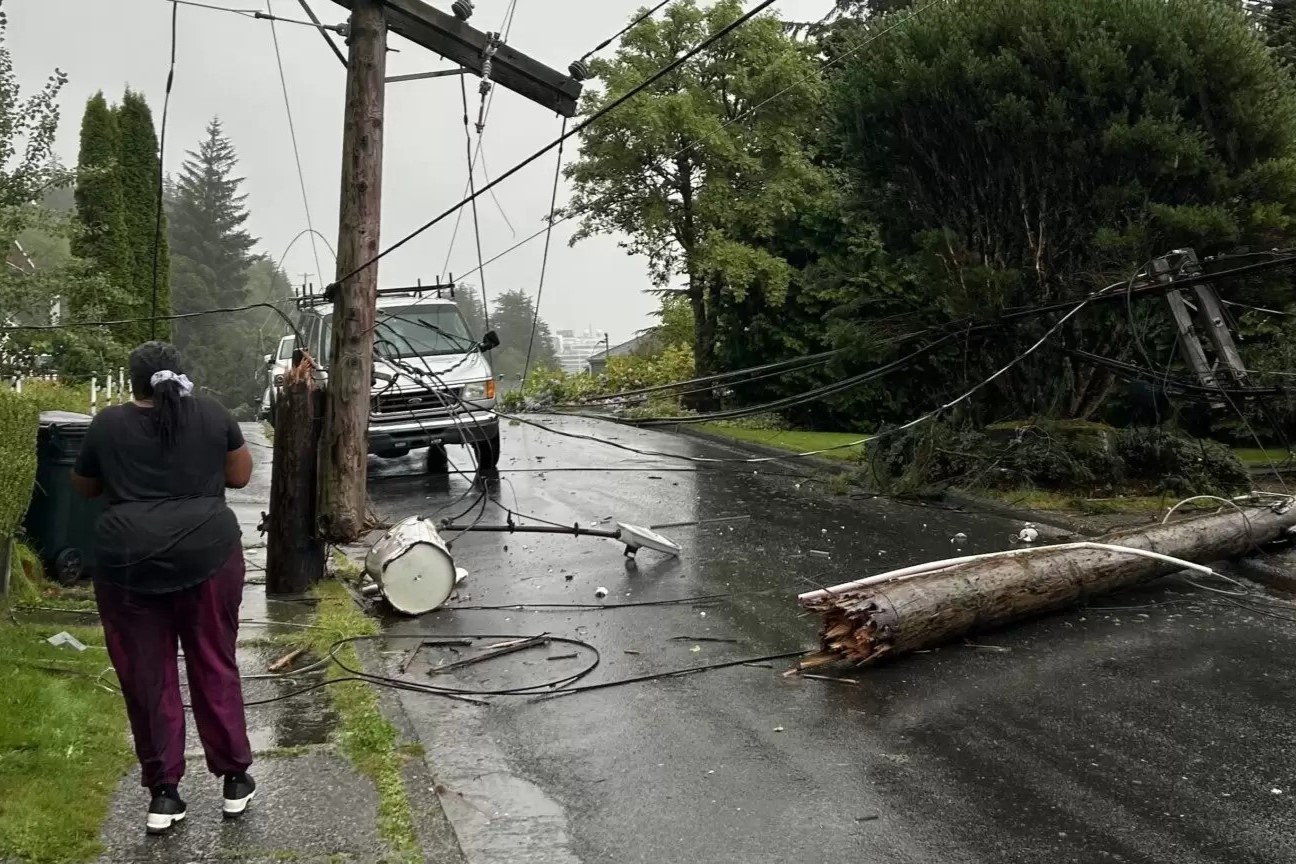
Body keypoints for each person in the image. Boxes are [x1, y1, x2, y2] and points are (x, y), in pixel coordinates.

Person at [71, 341, 257, 835]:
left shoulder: (107, 424)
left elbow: (85, 488)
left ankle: (164, 793)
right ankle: (235, 777)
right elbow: (240, 476)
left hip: (129, 566)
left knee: (147, 674)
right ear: (182, 376)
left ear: (132, 382)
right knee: (214, 661)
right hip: (210, 556)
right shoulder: (213, 414)